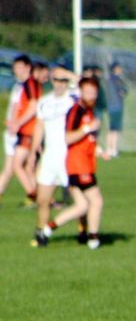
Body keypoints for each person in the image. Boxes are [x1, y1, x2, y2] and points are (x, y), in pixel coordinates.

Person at [35, 75, 103, 249]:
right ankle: (93, 239)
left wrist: (99, 149)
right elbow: (68, 137)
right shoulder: (76, 109)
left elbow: (87, 138)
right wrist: (88, 128)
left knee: (81, 206)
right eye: (88, 92)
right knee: (96, 201)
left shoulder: (88, 110)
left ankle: (48, 230)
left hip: (81, 163)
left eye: (94, 93)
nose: (92, 96)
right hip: (77, 164)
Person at [29, 67, 79, 248]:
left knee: (77, 198)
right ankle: (41, 232)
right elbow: (39, 127)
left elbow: (85, 84)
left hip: (68, 155)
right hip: (50, 156)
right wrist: (33, 154)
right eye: (57, 80)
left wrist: (68, 74)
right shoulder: (44, 101)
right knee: (43, 200)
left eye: (63, 80)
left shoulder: (73, 99)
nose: (60, 83)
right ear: (52, 81)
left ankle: (84, 230)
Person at [2, 55, 39, 208]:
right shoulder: (21, 85)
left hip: (27, 131)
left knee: (18, 165)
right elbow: (18, 106)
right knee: (10, 166)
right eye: (15, 67)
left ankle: (34, 196)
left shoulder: (30, 83)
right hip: (18, 130)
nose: (16, 70)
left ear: (28, 67)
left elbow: (33, 106)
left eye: (19, 67)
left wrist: (17, 123)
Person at [104, 62, 127, 158]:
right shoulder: (116, 80)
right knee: (115, 129)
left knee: (112, 128)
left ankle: (110, 148)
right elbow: (122, 91)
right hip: (116, 106)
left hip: (112, 106)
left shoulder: (110, 79)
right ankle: (113, 149)